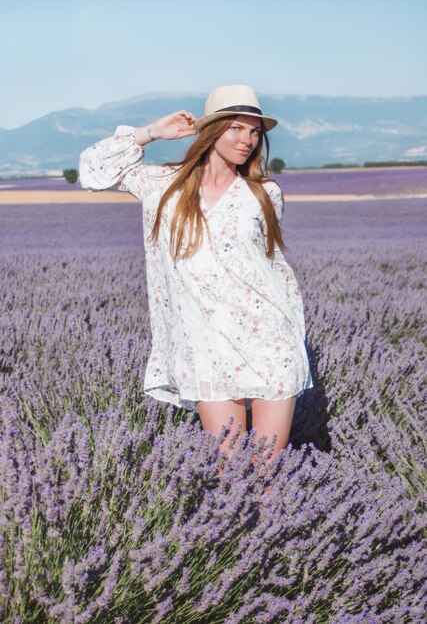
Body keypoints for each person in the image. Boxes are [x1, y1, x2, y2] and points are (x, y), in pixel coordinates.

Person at [79, 84, 313, 469]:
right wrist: (151, 132)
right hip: (207, 347)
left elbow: (272, 270)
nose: (248, 140)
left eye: (255, 132)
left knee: (268, 473)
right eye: (237, 128)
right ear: (212, 130)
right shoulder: (164, 186)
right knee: (230, 473)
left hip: (271, 343)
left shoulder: (265, 194)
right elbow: (92, 169)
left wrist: (292, 329)